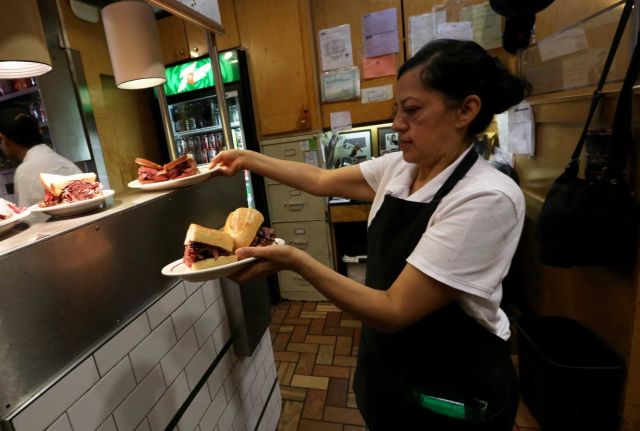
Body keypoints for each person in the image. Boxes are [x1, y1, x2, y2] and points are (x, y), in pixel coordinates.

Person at [211, 39, 530, 430]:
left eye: (411, 111)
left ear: (466, 110)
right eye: (397, 110)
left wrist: (294, 259)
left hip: (452, 389)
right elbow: (321, 179)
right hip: (388, 370)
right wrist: (246, 158)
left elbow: (395, 309)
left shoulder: (486, 197)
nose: (397, 124)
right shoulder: (401, 168)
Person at [0, 109, 81, 207]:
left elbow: (30, 219)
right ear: (39, 131)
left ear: (3, 139)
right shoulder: (65, 162)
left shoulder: (25, 171)